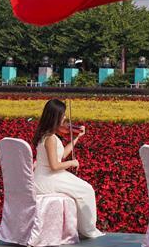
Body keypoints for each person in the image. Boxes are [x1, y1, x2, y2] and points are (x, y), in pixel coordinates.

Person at [31, 99, 103, 238]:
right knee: (86, 190)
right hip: (49, 179)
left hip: (44, 176)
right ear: (55, 117)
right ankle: (88, 230)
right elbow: (55, 166)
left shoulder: (44, 134)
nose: (65, 119)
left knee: (82, 189)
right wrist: (72, 163)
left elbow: (62, 154)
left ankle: (81, 228)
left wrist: (76, 138)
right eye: (63, 115)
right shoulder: (51, 138)